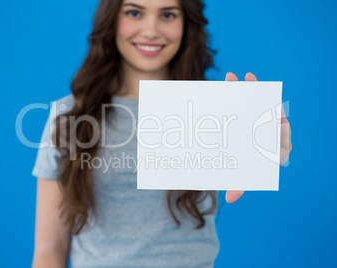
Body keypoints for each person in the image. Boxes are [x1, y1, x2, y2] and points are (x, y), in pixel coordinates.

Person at [31, 0, 292, 267]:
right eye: (134, 12)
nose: (151, 30)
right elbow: (49, 249)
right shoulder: (69, 116)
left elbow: (256, 158)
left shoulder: (216, 110)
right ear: (110, 19)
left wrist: (265, 149)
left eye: (168, 14)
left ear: (185, 24)